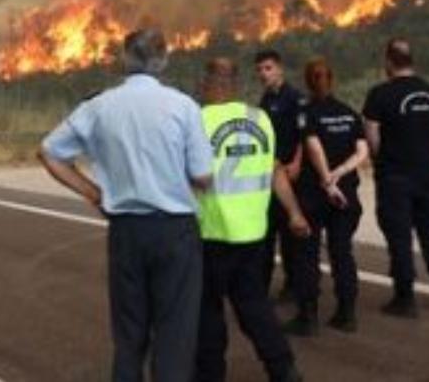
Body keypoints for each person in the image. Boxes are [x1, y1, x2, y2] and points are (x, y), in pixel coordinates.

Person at [40, 29, 213, 382]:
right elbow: (203, 176)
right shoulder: (183, 106)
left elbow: (49, 152)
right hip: (175, 231)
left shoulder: (99, 106)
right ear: (163, 61)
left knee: (129, 335)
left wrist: (93, 193)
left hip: (126, 232)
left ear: (124, 59)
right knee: (174, 333)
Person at [194, 58, 306, 382]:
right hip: (253, 234)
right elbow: (275, 170)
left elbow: (192, 177)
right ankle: (283, 368)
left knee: (207, 310)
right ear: (236, 85)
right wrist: (294, 212)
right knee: (255, 307)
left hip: (211, 234)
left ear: (208, 84)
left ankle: (210, 374)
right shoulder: (260, 118)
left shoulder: (197, 121)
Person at [363, 38, 429, 317]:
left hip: (394, 176)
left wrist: (381, 161)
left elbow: (372, 138)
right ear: (412, 60)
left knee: (399, 236)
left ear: (389, 62)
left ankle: (405, 298)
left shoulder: (379, 95)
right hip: (426, 175)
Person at [287, 58, 370, 336]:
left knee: (306, 253)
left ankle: (307, 316)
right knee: (342, 252)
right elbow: (362, 152)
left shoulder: (305, 112)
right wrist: (340, 174)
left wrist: (326, 181)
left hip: (314, 194)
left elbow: (313, 148)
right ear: (332, 80)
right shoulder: (349, 113)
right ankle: (347, 314)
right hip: (346, 194)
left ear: (308, 82)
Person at [254, 50, 305, 298]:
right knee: (266, 235)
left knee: (290, 237)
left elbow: (305, 134)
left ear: (280, 69)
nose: (264, 74)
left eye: (268, 68)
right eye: (260, 70)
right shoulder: (264, 101)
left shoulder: (295, 98)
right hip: (270, 175)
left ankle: (293, 285)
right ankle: (261, 286)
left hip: (290, 174)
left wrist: (297, 162)